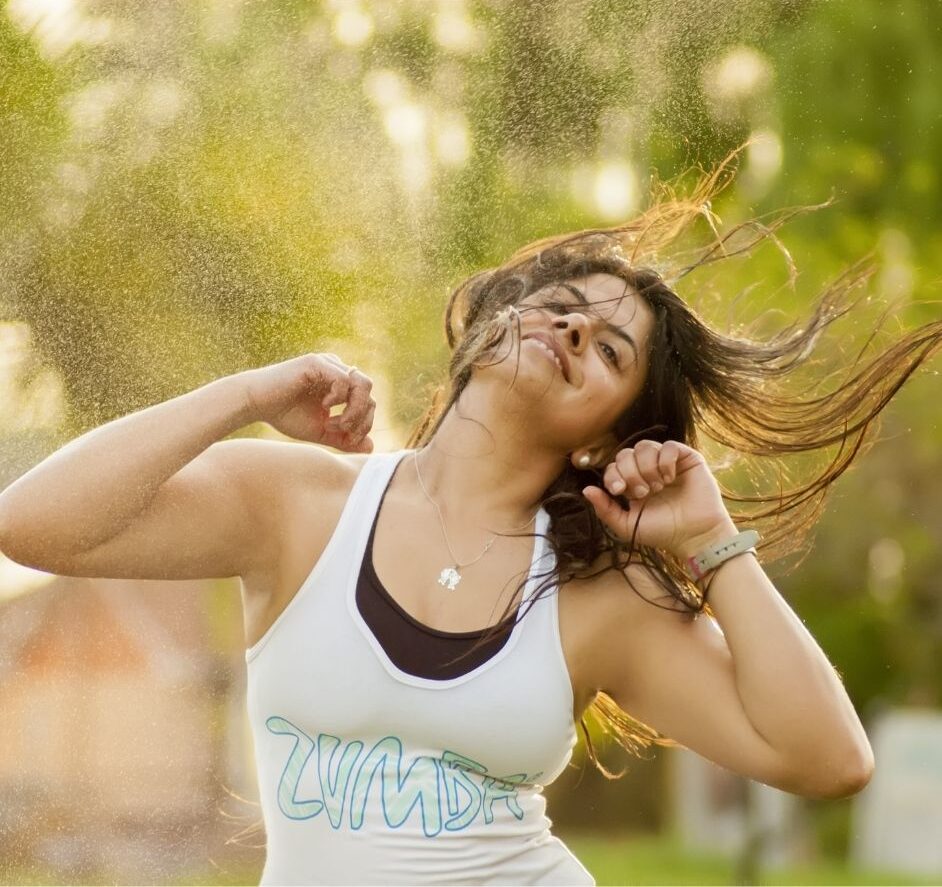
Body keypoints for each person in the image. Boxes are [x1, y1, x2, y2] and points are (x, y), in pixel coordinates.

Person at [1, 156, 939, 886]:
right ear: (499, 319)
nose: (574, 330)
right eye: (562, 307)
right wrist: (246, 393)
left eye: (610, 347)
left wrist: (712, 541)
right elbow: (33, 525)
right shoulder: (299, 505)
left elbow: (829, 758)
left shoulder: (596, 600)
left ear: (603, 439)